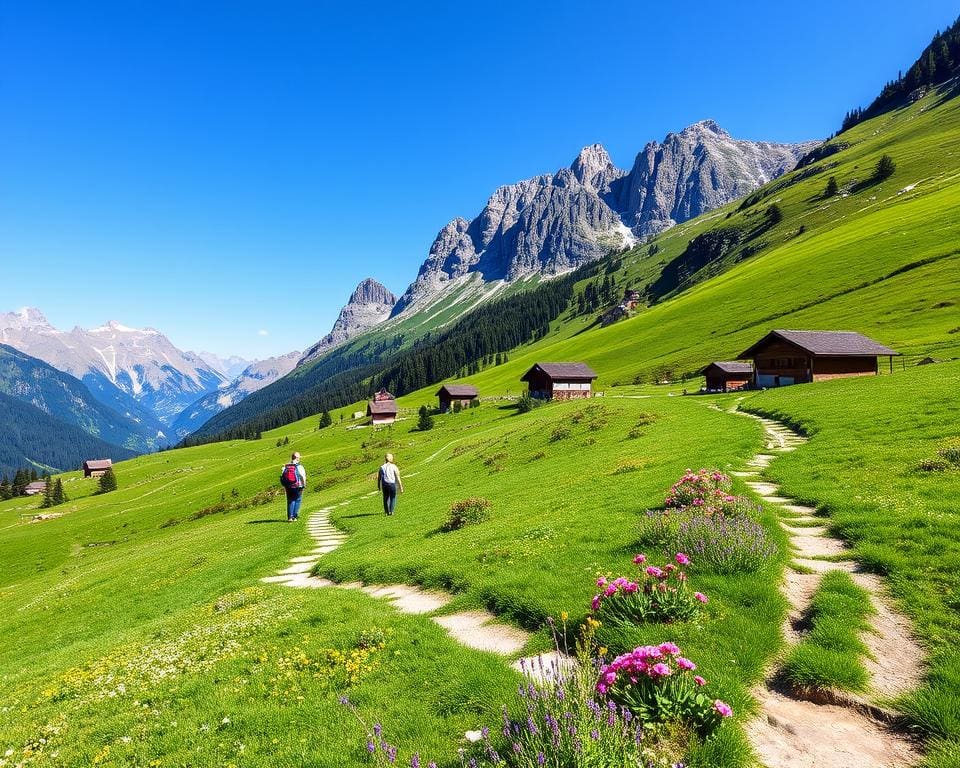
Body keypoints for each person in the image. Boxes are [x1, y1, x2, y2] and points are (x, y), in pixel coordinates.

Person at [280, 451, 307, 522]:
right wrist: (304, 484)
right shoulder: (300, 466)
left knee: (290, 501)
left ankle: (289, 517)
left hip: (288, 486)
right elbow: (302, 476)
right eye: (299, 457)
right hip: (298, 486)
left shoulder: (286, 466)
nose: (300, 458)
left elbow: (282, 475)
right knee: (297, 500)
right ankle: (294, 516)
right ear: (297, 458)